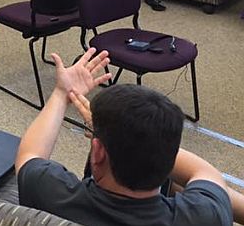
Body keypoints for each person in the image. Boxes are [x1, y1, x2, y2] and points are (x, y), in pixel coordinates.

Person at [15, 47, 243, 225]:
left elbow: (30, 153)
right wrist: (148, 141)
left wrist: (61, 93)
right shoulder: (207, 215)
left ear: (98, 152)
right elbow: (204, 172)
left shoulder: (50, 194)